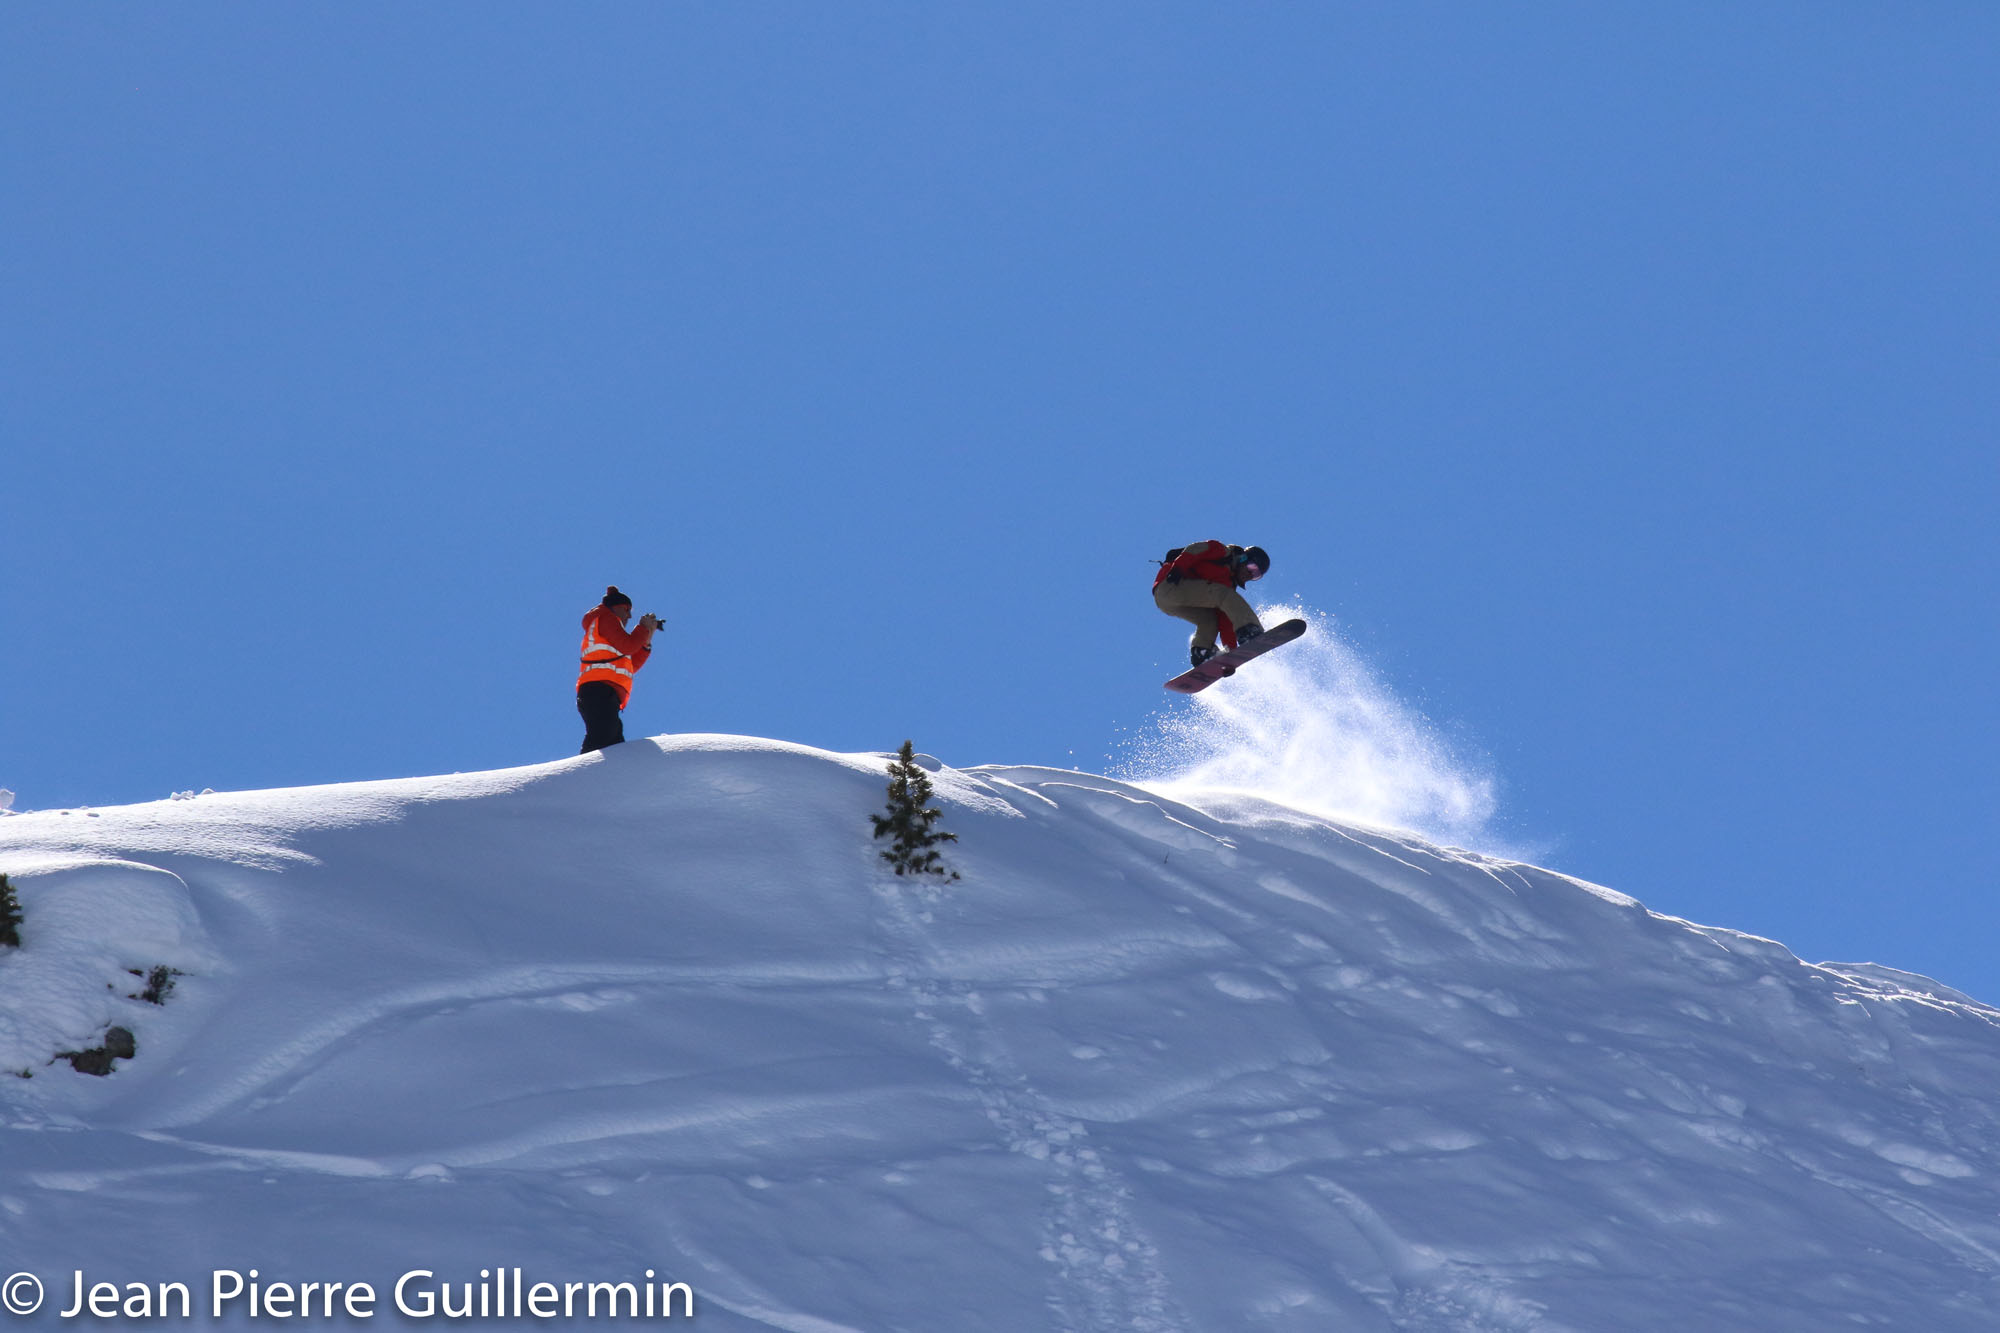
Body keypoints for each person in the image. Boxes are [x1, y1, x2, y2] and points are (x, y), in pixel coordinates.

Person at [1153, 542, 1270, 667]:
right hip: (1171, 584)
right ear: (1243, 558)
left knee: (1209, 619)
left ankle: (1202, 651)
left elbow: (1225, 620)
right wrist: (1178, 568)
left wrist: (1231, 655)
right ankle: (1250, 630)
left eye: (1256, 575)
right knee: (1225, 594)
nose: (1250, 575)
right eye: (1252, 568)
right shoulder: (1222, 552)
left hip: (1168, 602)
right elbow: (1195, 549)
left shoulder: (1227, 584)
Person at [577, 586, 661, 753]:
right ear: (615, 607)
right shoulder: (605, 618)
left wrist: (646, 641)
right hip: (599, 690)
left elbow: (630, 665)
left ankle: (605, 768)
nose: (629, 616)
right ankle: (586, 768)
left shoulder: (607, 626)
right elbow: (629, 646)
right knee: (604, 737)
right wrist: (643, 628)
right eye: (627, 609)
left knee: (613, 741)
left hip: (602, 692)